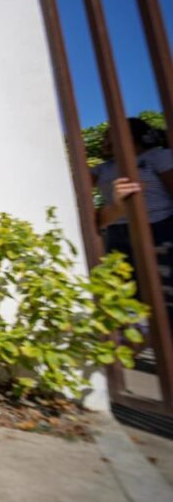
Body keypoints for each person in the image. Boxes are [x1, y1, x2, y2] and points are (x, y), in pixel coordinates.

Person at [92, 117, 173, 363]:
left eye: (111, 135)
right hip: (118, 233)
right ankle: (120, 360)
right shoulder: (103, 169)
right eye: (105, 136)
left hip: (159, 229)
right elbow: (88, 208)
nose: (106, 141)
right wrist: (116, 208)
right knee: (124, 299)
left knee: (163, 296)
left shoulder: (158, 157)